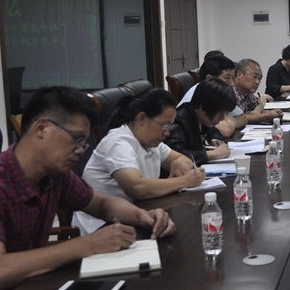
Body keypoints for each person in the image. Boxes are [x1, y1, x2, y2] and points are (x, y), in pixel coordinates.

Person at [0, 87, 175, 290]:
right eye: (77, 139)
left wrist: (142, 216)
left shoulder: (54, 175)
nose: (80, 151)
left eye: (84, 142)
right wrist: (88, 244)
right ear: (42, 128)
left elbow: (102, 204)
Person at [75, 89, 205, 235]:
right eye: (164, 125)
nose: (167, 132)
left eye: (170, 126)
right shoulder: (118, 143)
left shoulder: (151, 142)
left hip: (136, 216)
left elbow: (183, 159)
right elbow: (136, 187)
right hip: (100, 227)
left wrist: (177, 164)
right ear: (142, 118)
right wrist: (184, 181)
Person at [165, 77, 237, 167]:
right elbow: (175, 155)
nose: (222, 118)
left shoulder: (203, 119)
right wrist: (212, 154)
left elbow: (215, 132)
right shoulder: (178, 121)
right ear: (203, 105)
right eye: (220, 113)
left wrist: (214, 140)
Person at [179, 52, 244, 136]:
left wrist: (230, 122)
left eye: (233, 78)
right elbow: (226, 131)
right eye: (227, 78)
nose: (232, 83)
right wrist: (230, 120)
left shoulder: (220, 95)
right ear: (209, 79)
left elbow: (243, 118)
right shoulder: (196, 96)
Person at [233, 58, 282, 123]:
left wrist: (256, 111)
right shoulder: (230, 92)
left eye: (260, 79)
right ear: (239, 74)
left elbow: (259, 104)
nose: (257, 82)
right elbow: (237, 118)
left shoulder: (247, 93)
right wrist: (266, 116)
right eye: (254, 76)